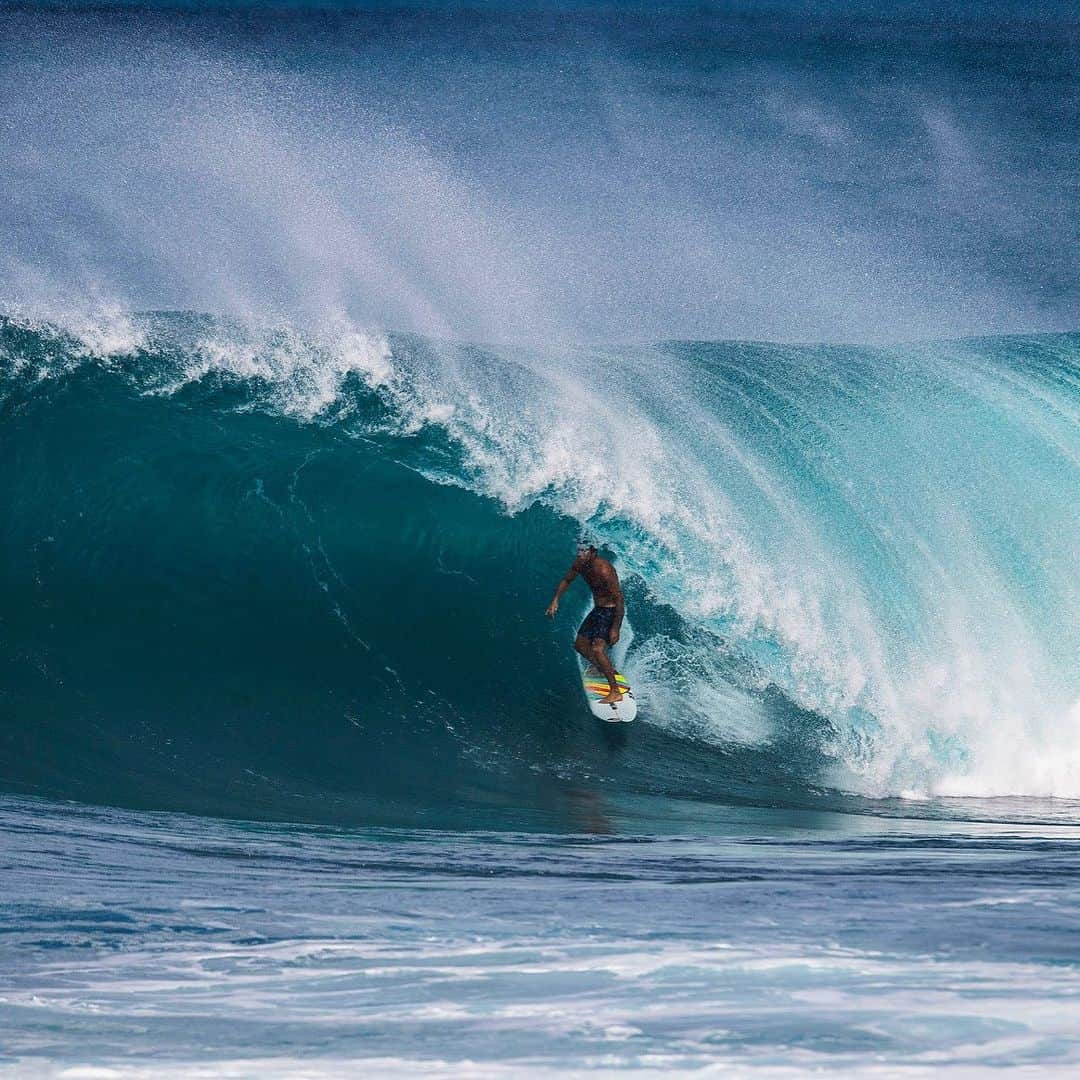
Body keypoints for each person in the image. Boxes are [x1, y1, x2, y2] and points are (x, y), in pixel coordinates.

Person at [546, 539, 627, 704]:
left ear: (593, 552)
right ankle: (601, 668)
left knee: (597, 649)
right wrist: (555, 600)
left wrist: (615, 628)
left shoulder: (605, 570)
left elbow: (619, 599)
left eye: (584, 551)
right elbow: (567, 580)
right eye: (579, 550)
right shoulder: (581, 563)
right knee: (580, 646)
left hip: (610, 611)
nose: (580, 554)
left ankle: (615, 691)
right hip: (598, 610)